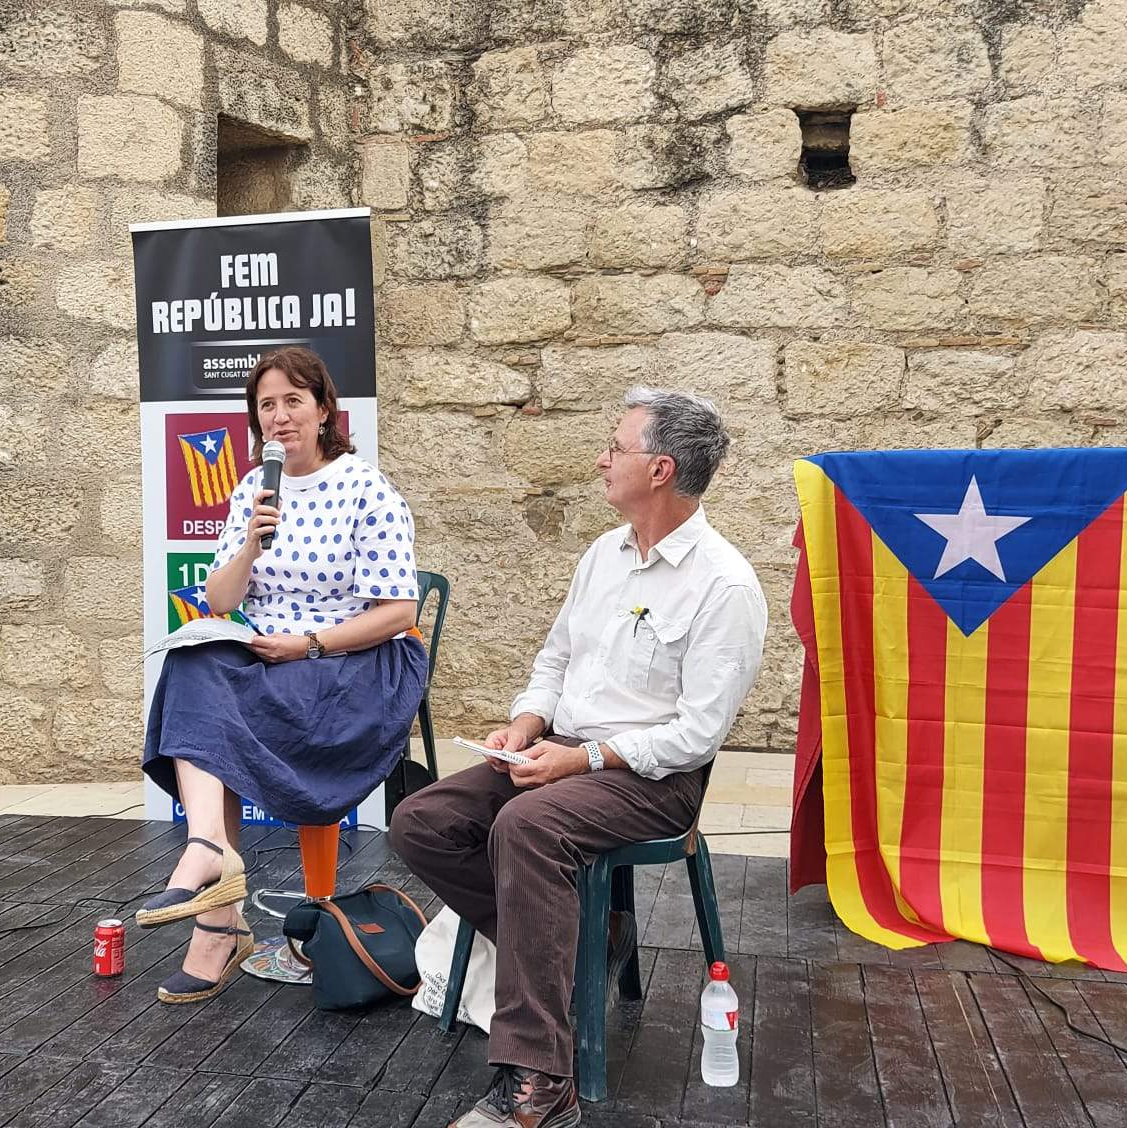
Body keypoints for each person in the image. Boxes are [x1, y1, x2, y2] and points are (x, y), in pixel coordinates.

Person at [391, 388, 767, 1128]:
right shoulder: (604, 554)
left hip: (652, 777)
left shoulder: (725, 585)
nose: (601, 460)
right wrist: (526, 724)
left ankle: (540, 1080)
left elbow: (695, 736)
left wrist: (583, 759)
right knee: (420, 819)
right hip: (562, 751)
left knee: (527, 828)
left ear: (660, 469)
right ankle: (578, 945)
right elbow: (556, 658)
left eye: (615, 448)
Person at [140, 345, 428, 1004]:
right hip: (270, 653)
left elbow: (399, 612)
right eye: (266, 405)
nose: (279, 416)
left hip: (352, 661)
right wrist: (249, 542)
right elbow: (218, 600)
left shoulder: (367, 488)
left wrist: (308, 645)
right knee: (192, 659)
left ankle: (216, 914)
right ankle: (214, 879)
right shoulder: (253, 489)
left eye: (293, 401)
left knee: (217, 711)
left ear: (324, 408)